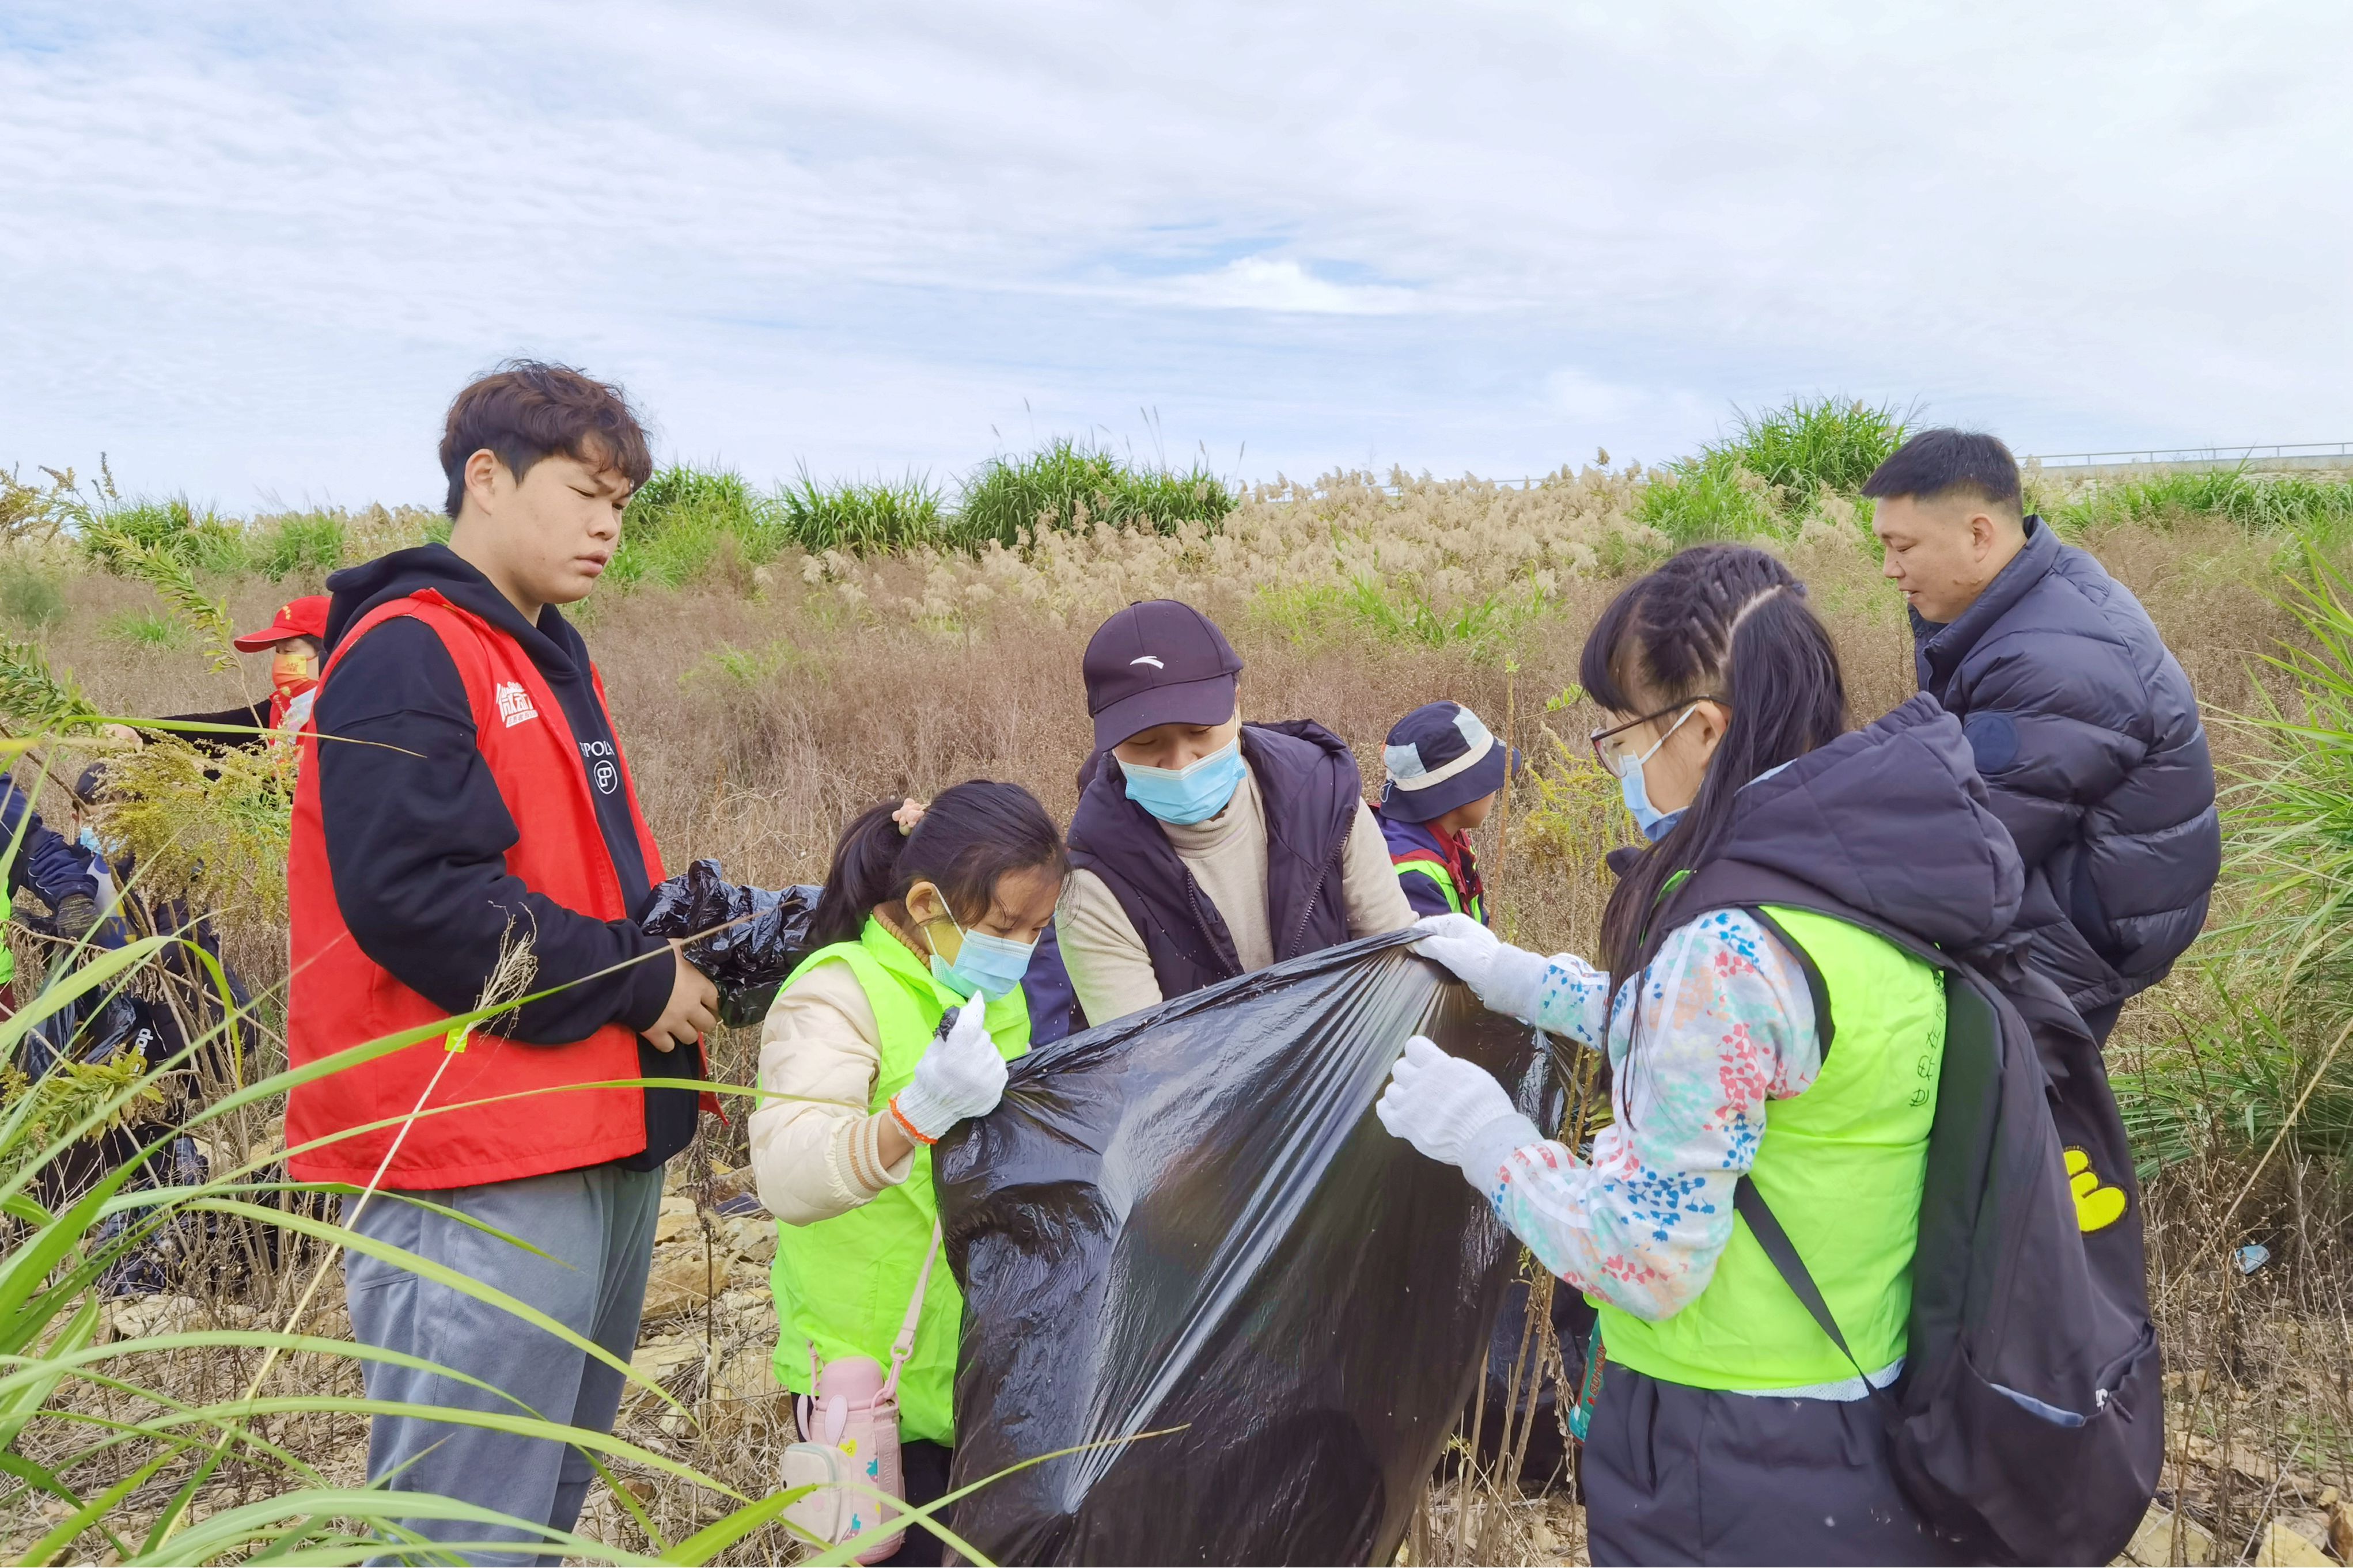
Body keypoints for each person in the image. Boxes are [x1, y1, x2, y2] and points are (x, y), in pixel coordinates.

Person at [1376, 544, 2023, 1565]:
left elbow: (1648, 1257)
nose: (1619, 761)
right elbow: (1742, 1050)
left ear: (1703, 726)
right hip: (1858, 1403)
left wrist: (1487, 1137)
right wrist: (1517, 976)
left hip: (1727, 1445)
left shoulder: (1723, 950)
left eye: (1623, 731)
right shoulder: (1872, 877)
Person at [283, 362, 720, 1563]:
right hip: (476, 1153)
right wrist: (638, 979)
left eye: (621, 505)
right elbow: (421, 900)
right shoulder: (410, 651)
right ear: (485, 476)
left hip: (588, 1125)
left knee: (533, 1505)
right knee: (460, 1527)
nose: (606, 526)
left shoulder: (542, 652)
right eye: (586, 492)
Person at [750, 784, 1067, 1567]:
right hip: (875, 1393)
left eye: (1037, 929)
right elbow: (788, 1175)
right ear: (928, 903)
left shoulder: (992, 993)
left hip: (983, 1379)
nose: (1023, 948)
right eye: (1004, 927)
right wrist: (912, 1115)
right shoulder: (838, 992)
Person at [1866, 429, 2217, 1042]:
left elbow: (1972, 843)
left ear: (1978, 535)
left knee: (2019, 1116)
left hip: (2076, 923)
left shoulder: (2049, 658)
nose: (1889, 569)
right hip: (2078, 875)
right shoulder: (2022, 590)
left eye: (1902, 546)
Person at [1055, 599, 1415, 1023]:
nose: (1180, 762)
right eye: (1145, 743)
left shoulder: (1323, 794)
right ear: (1109, 743)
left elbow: (1395, 958)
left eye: (1199, 731)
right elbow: (1148, 1062)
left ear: (1236, 704)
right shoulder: (1092, 884)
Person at [1374, 700, 1515, 924]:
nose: (1496, 789)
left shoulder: (1451, 836)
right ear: (1461, 792)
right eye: (1489, 777)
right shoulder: (1413, 878)